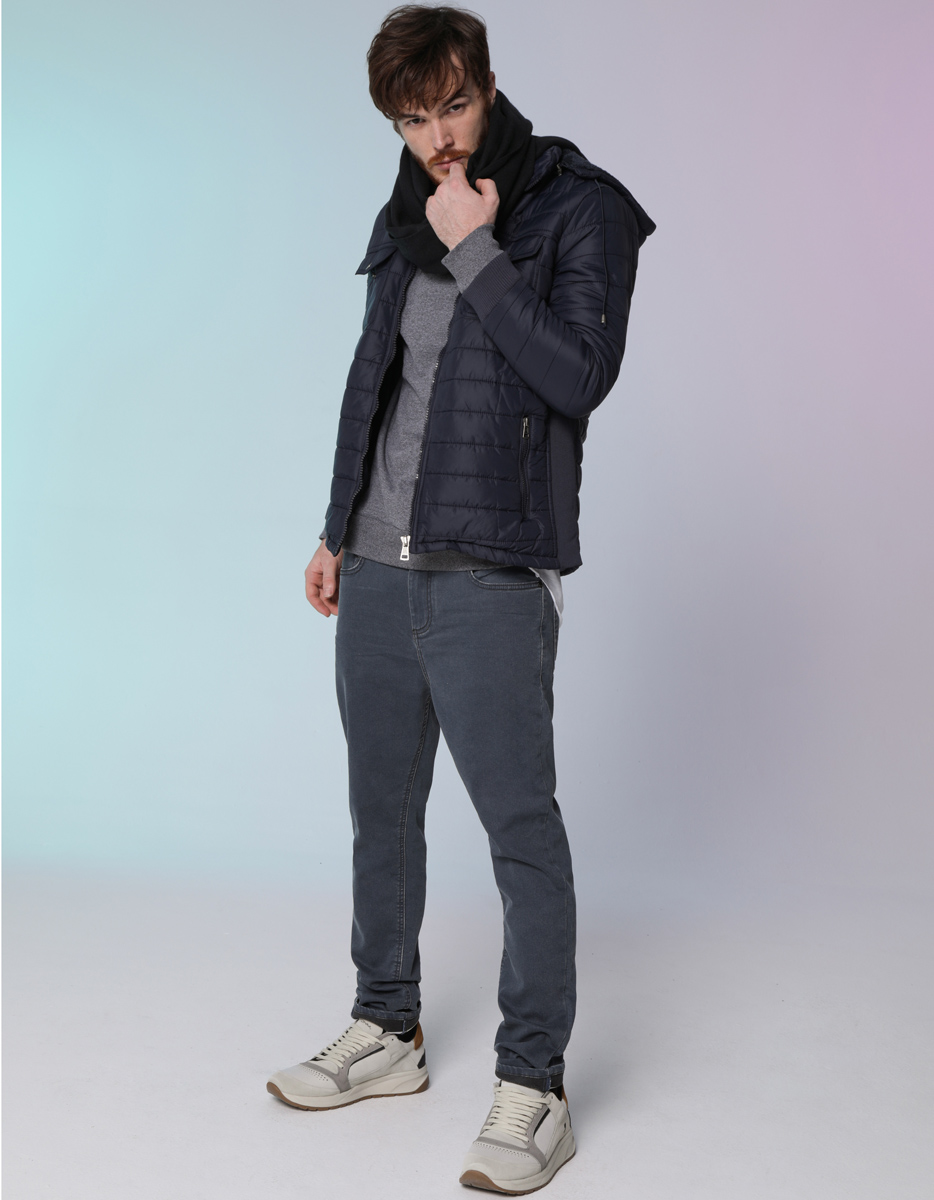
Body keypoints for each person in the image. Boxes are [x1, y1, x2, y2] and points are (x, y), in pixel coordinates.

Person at [266, 5, 654, 1192]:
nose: (435, 138)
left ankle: (535, 1086)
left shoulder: (577, 206)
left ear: (488, 85)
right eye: (410, 119)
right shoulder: (406, 210)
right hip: (379, 569)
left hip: (492, 573)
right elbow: (370, 377)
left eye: (452, 106)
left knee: (518, 830)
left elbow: (580, 376)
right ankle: (386, 1026)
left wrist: (480, 252)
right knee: (380, 816)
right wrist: (336, 526)